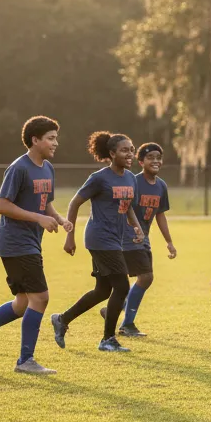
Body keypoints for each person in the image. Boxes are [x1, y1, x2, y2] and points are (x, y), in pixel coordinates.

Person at [0, 116, 71, 374]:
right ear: (35, 140)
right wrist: (39, 218)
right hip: (16, 243)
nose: (56, 143)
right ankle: (25, 361)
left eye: (56, 137)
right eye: (51, 138)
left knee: (22, 304)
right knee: (40, 298)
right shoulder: (18, 168)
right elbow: (3, 205)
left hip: (30, 242)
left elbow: (45, 203)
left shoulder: (47, 168)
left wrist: (58, 218)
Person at [51, 132, 144, 353]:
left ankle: (62, 319)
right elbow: (75, 203)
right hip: (100, 238)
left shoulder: (130, 178)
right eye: (124, 150)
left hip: (115, 239)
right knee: (122, 286)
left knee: (103, 290)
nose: (129, 154)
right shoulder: (99, 178)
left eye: (131, 149)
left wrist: (136, 226)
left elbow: (127, 205)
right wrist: (69, 235)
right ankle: (107, 339)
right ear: (111, 154)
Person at [104, 143, 176, 337]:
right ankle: (127, 324)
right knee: (145, 277)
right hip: (128, 236)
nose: (155, 161)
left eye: (158, 157)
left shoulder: (161, 186)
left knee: (142, 278)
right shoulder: (133, 182)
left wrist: (169, 241)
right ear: (141, 161)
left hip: (143, 237)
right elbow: (122, 208)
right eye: (150, 157)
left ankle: (117, 307)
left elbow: (160, 214)